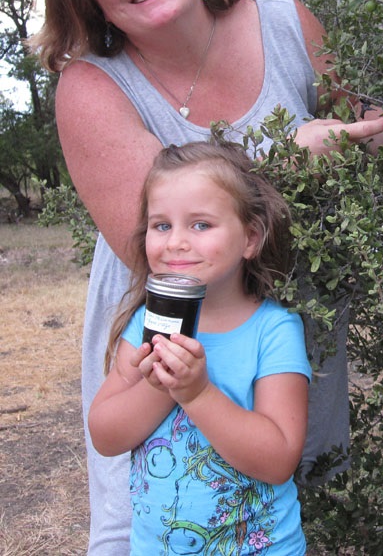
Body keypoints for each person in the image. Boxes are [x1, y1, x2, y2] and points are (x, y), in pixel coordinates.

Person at [29, 0, 383, 554]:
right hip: (168, 331)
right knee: (165, 517)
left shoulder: (281, 20)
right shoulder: (90, 86)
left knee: (276, 506)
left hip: (281, 320)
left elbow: (364, 126)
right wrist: (287, 163)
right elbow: (149, 248)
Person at [88, 140, 310, 554]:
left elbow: (279, 459)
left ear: (250, 237)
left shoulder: (273, 331)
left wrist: (198, 394)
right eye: (162, 225)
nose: (175, 242)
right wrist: (157, 386)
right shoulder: (143, 325)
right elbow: (104, 434)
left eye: (200, 225)